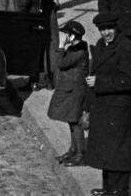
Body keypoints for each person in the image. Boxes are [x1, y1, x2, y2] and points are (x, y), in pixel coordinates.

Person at [86, 12, 131, 196]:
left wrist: (100, 82)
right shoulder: (100, 45)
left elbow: (128, 79)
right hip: (103, 107)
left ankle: (119, 191)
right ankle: (108, 189)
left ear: (116, 28)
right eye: (103, 29)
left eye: (110, 29)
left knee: (118, 153)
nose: (107, 33)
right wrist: (87, 107)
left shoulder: (125, 47)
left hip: (119, 109)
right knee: (106, 151)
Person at [49, 20, 89, 167]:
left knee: (75, 122)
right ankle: (73, 150)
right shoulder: (75, 48)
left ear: (72, 36)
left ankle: (79, 154)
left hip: (74, 91)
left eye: (66, 34)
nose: (64, 36)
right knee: (71, 121)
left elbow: (60, 63)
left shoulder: (78, 51)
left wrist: (61, 47)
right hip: (69, 89)